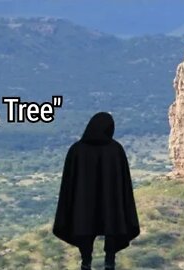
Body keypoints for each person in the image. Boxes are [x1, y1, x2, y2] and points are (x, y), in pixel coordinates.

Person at [52, 112, 140, 270]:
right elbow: (123, 184)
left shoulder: (76, 150)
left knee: (84, 225)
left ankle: (86, 262)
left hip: (83, 202)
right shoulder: (116, 150)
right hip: (111, 202)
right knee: (113, 225)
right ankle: (109, 262)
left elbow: (69, 184)